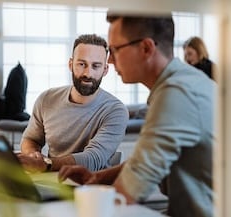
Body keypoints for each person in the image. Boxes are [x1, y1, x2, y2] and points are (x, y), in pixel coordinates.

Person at [59, 13, 216, 217]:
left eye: (115, 50)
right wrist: (96, 178)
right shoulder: (183, 82)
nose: (111, 61)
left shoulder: (177, 94)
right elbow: (142, 162)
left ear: (146, 48)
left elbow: (128, 192)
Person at [18, 34, 129, 173]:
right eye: (82, 64)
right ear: (71, 64)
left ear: (105, 70)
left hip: (91, 187)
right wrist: (32, 156)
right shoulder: (46, 99)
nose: (88, 74)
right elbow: (30, 139)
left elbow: (93, 158)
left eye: (96, 66)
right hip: (50, 180)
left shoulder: (116, 111)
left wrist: (46, 164)